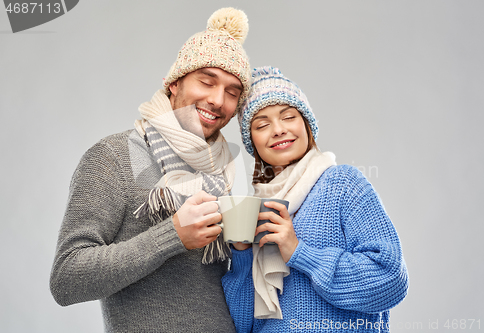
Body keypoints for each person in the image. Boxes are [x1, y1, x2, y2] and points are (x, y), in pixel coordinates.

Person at [50, 8, 252, 332]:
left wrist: (248, 249)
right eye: (207, 81)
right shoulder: (113, 157)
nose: (218, 100)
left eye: (232, 92)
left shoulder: (225, 170)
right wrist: (173, 235)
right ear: (173, 83)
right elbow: (66, 278)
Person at [222, 67, 409, 332]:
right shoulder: (257, 209)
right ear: (252, 140)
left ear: (306, 125)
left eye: (288, 117)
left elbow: (390, 280)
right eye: (262, 124)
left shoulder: (343, 184)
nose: (277, 130)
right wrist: (241, 254)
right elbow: (243, 325)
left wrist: (299, 252)